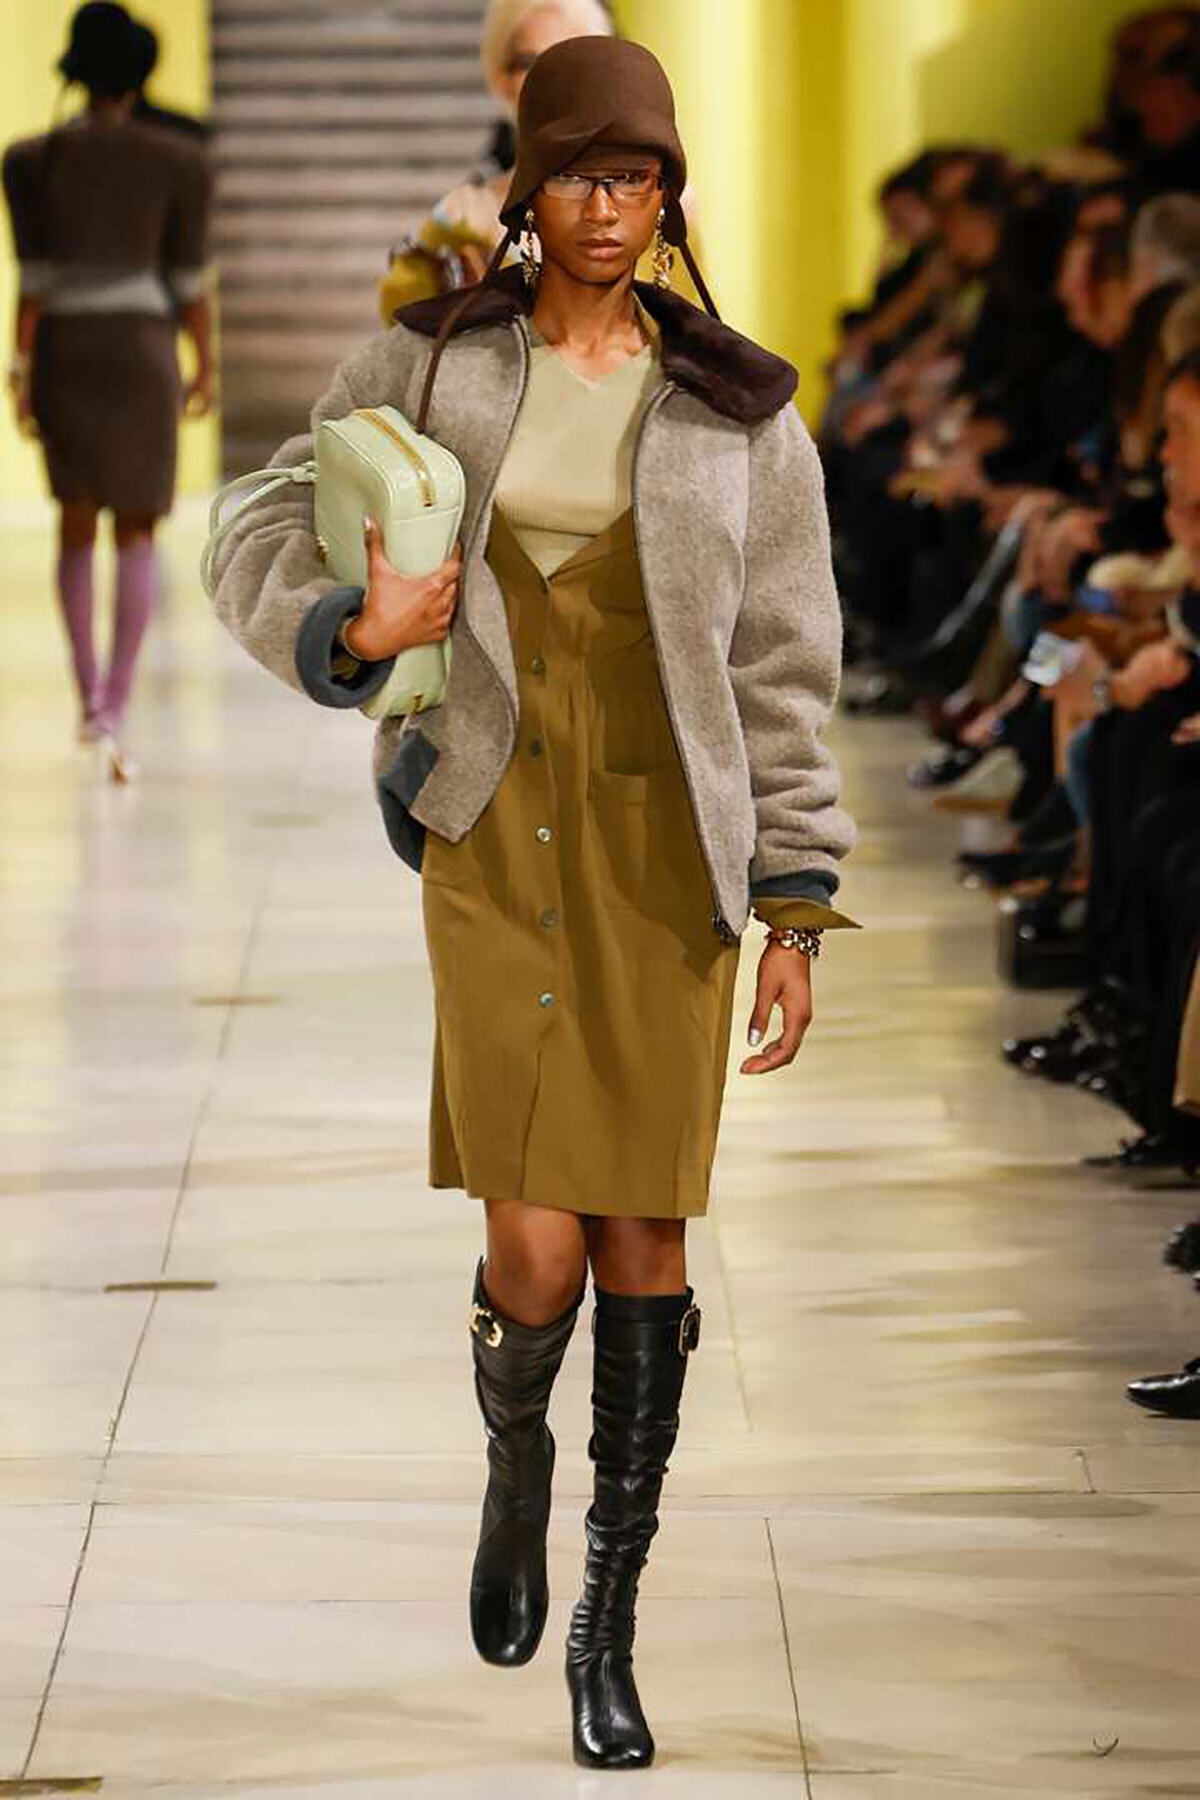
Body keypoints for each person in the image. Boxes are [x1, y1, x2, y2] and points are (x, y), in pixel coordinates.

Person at [208, 35, 856, 1769]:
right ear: (528, 188)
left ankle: (607, 1618)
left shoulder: (743, 410)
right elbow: (257, 514)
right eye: (580, 174)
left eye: (638, 179)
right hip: (493, 829)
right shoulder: (432, 366)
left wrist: (796, 906)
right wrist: (343, 636)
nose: (609, 207)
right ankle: (515, 1454)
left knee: (647, 1229)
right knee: (532, 1235)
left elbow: (789, 666)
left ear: (669, 199)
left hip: (666, 853)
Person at [2, 1, 213, 781]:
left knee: (74, 524)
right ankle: (114, 706)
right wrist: (207, 363)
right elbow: (189, 283)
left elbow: (34, 283)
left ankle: (86, 695)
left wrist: (21, 371)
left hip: (65, 352)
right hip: (141, 351)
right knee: (135, 531)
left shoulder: (29, 160)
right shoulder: (181, 160)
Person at [377, 0, 704, 319]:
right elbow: (399, 321)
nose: (550, 84)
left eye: (574, 63)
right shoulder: (461, 219)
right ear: (501, 76)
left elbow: (699, 342)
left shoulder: (660, 205)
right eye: (529, 63)